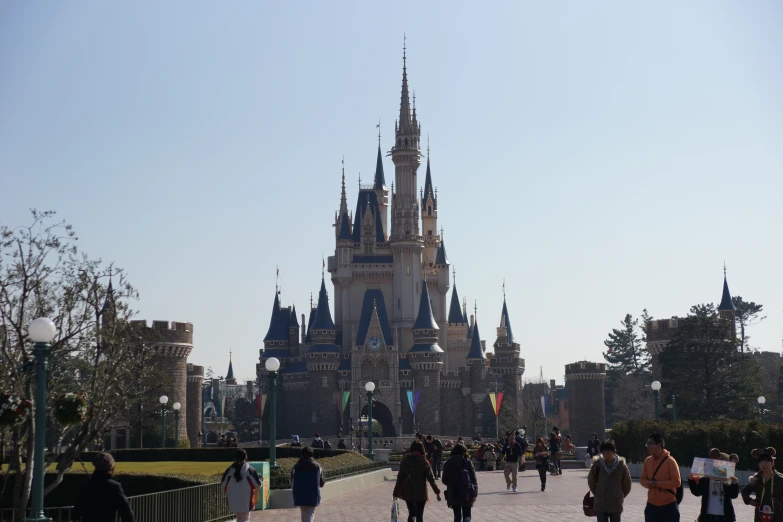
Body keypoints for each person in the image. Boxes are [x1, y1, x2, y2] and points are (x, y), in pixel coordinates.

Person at [72, 452, 134, 522]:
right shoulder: (114, 487)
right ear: (111, 467)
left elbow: (76, 511)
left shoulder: (86, 485)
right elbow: (127, 514)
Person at [394, 440, 442, 522]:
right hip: (421, 494)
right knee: (419, 516)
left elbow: (400, 478)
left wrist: (395, 492)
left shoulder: (405, 461)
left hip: (408, 492)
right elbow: (431, 479)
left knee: (411, 514)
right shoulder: (424, 462)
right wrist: (437, 492)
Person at [688, 448, 739, 522]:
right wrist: (691, 480)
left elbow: (734, 495)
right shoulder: (706, 478)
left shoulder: (728, 479)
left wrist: (734, 483)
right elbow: (697, 492)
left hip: (725, 516)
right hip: (707, 515)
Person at [640, 432, 682, 522]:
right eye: (647, 444)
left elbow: (677, 482)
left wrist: (657, 484)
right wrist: (648, 484)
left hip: (668, 506)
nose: (648, 446)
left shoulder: (670, 461)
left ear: (659, 445)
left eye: (650, 443)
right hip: (651, 506)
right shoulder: (647, 461)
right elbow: (642, 479)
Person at [588, 439, 632, 522]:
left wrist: (619, 495)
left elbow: (627, 484)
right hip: (600, 504)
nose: (606, 456)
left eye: (608, 453)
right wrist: (598, 493)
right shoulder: (597, 464)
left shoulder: (621, 466)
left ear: (614, 451)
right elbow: (591, 481)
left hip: (616, 504)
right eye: (603, 453)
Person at [741, 447, 783, 522]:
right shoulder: (755, 479)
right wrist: (749, 501)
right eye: (761, 462)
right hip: (760, 515)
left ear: (772, 463)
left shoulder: (780, 479)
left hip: (778, 515)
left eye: (766, 462)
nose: (763, 464)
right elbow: (744, 491)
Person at [221, 449, 262, 522]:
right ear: (245, 457)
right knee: (245, 518)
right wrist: (261, 479)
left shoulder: (230, 470)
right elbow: (257, 484)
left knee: (239, 518)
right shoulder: (249, 469)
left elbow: (223, 485)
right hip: (246, 499)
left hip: (233, 498)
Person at [442, 443, 477, 522]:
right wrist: (474, 493)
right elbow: (473, 479)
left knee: (457, 516)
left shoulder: (447, 462)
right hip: (466, 492)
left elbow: (444, 480)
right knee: (467, 515)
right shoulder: (467, 462)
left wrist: (451, 484)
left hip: (453, 492)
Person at [291, 446, 326, 522]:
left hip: (299, 494)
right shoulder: (317, 467)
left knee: (304, 513)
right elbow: (322, 483)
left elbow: (292, 481)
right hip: (313, 494)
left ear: (302, 454)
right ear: (312, 454)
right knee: (310, 513)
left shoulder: (296, 467)